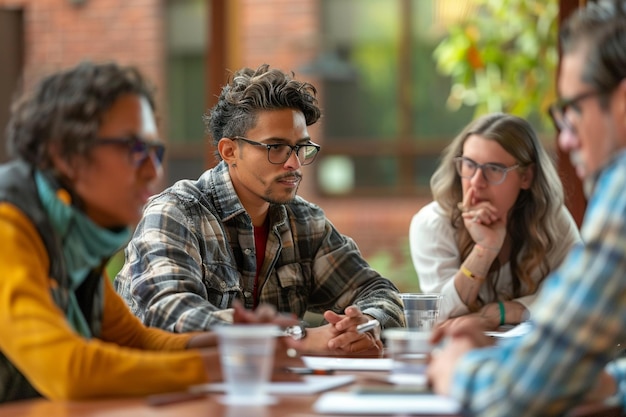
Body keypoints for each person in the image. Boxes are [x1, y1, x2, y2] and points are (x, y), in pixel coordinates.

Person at [0, 61, 299, 403]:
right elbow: (70, 371)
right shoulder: (9, 226)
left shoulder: (71, 238)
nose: (153, 170)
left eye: (155, 151)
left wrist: (234, 342)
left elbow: (136, 341)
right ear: (66, 155)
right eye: (133, 148)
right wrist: (228, 365)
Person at [114, 64, 404, 356]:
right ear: (230, 151)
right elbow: (170, 313)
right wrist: (296, 339)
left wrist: (363, 325)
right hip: (164, 394)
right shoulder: (176, 213)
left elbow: (380, 292)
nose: (294, 163)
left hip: (269, 393)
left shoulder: (305, 222)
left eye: (300, 147)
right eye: (275, 147)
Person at [427, 1, 626, 415]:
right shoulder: (433, 221)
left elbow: (510, 399)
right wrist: (612, 385)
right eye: (469, 167)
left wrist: (459, 368)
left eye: (574, 110)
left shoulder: (620, 191)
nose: (567, 140)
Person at [409, 113, 580, 328]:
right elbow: (439, 314)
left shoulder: (550, 218)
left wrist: (510, 311)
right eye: (469, 165)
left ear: (526, 177)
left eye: (494, 169)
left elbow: (583, 291)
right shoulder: (433, 222)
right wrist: (485, 249)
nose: (476, 182)